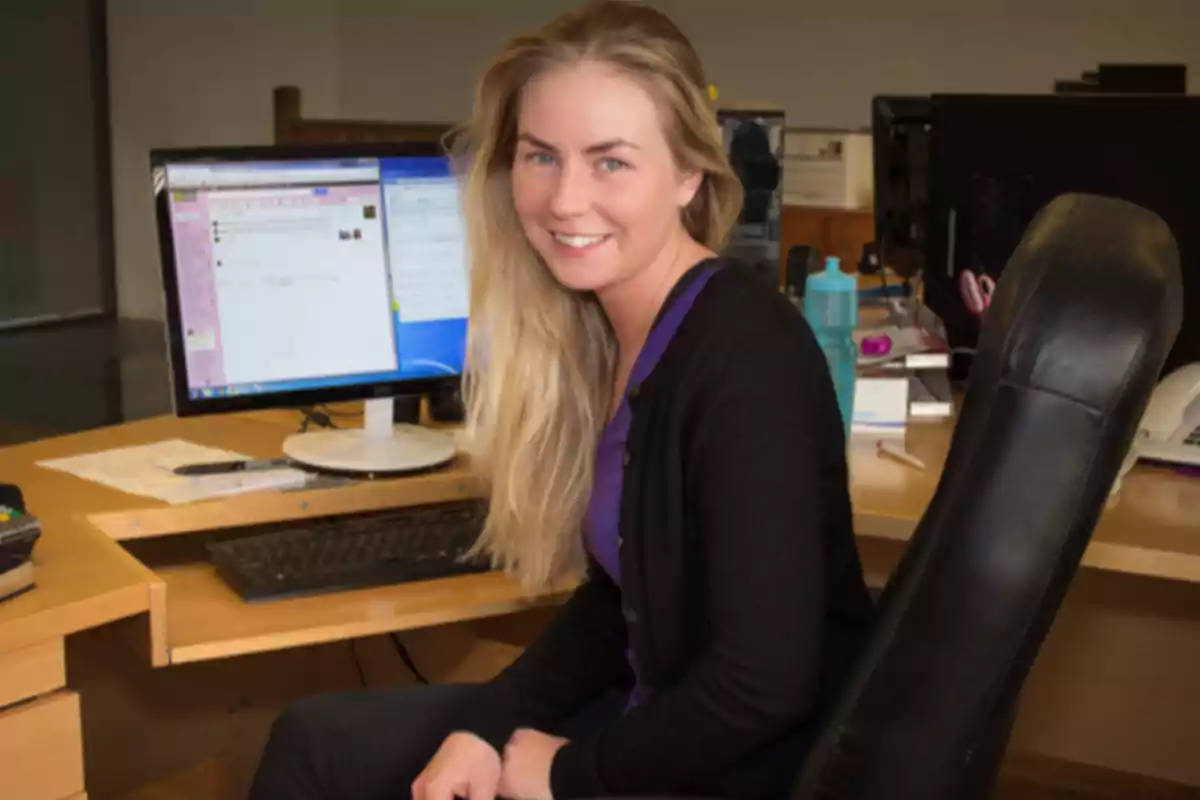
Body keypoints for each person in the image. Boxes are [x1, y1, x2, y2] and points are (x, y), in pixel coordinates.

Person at [249, 2, 874, 799]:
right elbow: (625, 601)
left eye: (611, 162)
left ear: (689, 175)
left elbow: (763, 687)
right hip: (673, 718)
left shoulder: (745, 360)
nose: (565, 200)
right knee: (317, 739)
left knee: (325, 758)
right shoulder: (626, 332)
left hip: (751, 769)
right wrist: (489, 723)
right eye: (540, 157)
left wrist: (571, 774)